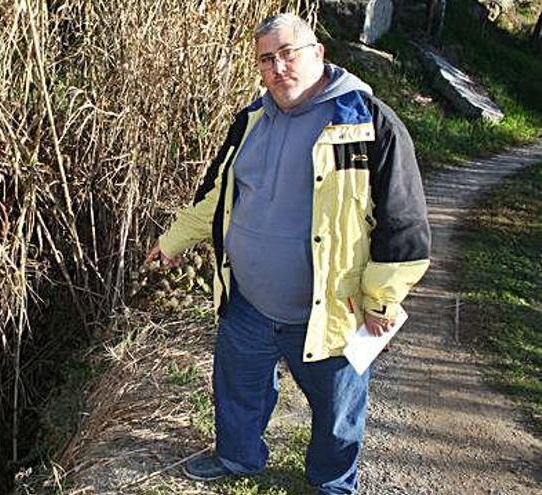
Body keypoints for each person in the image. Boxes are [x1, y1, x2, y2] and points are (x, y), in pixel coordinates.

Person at [144, 13, 431, 495]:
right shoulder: (251, 120)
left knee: (338, 410)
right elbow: (218, 196)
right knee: (238, 392)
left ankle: (333, 482)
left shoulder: (365, 122)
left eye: (289, 53)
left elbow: (405, 222)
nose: (279, 67)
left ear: (318, 53)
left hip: (329, 311)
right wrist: (173, 241)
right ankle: (238, 457)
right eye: (267, 59)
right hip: (248, 304)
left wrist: (382, 299)